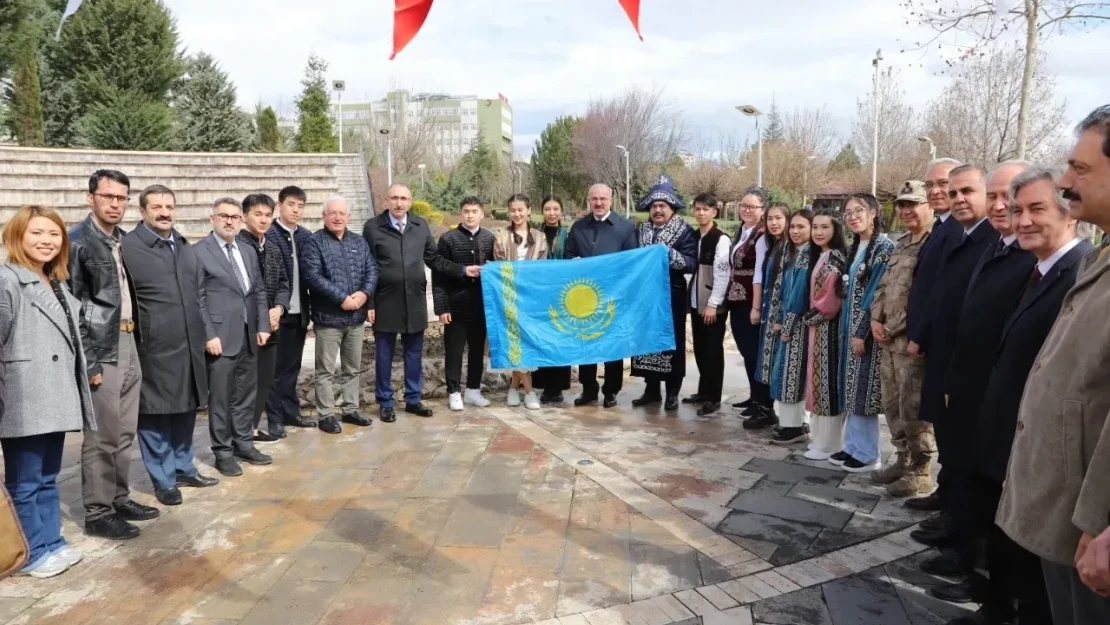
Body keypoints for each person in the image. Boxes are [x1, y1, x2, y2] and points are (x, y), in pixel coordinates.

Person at [954, 167, 1092, 625]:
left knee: (1035, 582)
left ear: (1069, 213)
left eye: (1037, 209)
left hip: (1045, 453)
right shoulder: (1039, 270)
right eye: (1017, 210)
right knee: (1007, 553)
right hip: (1007, 433)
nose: (1023, 220)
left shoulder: (1079, 274)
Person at [998, 106, 1110, 625]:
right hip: (1065, 514)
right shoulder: (1099, 261)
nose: (1067, 181)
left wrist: (1101, 522)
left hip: (1092, 532)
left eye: (1081, 170)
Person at [927, 162, 1034, 594]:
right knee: (967, 474)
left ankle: (979, 570)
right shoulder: (998, 247)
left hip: (997, 397)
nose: (1000, 204)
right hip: (967, 385)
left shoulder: (1032, 258)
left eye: (1009, 195)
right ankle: (965, 552)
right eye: (994, 195)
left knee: (988, 485)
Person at [0, 206, 95, 578]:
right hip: (23, 396)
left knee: (46, 476)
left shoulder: (53, 280)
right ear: (17, 236)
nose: (47, 241)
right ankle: (31, 551)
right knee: (24, 480)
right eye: (37, 233)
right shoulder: (7, 280)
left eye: (54, 234)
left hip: (52, 393)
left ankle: (51, 540)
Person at [910, 165, 1000, 548]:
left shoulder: (991, 239)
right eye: (950, 189)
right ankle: (951, 505)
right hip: (945, 350)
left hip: (967, 365)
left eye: (968, 191)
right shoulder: (959, 233)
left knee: (965, 449)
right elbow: (936, 288)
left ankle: (960, 527)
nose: (955, 196)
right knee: (949, 438)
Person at [68, 170, 157, 541]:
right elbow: (73, 308)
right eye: (108, 197)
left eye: (121, 198)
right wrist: (88, 360)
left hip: (128, 341)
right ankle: (97, 511)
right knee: (102, 435)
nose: (115, 204)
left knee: (124, 431)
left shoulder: (118, 241)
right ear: (91, 198)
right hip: (102, 347)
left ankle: (118, 498)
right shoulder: (77, 242)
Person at [122, 185, 216, 507]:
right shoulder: (128, 247)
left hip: (189, 345)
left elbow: (197, 294)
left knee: (185, 410)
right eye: (157, 206)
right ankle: (163, 479)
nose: (164, 212)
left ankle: (183, 466)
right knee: (155, 415)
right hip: (153, 347)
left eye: (169, 206)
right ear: (142, 211)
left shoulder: (183, 245)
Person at [363, 184, 471, 423]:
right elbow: (367, 266)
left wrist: (462, 269)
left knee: (414, 354)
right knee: (384, 355)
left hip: (414, 299)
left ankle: (413, 399)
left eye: (404, 198)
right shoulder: (372, 227)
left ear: (411, 202)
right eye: (394, 198)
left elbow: (433, 259)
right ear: (386, 201)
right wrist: (368, 302)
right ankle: (386, 402)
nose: (399, 203)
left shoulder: (420, 225)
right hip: (385, 300)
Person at [194, 197, 273, 477]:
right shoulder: (199, 252)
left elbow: (258, 291)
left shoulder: (247, 251)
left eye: (234, 216)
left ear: (241, 220)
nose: (229, 221)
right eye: (224, 216)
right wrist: (208, 335)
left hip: (249, 334)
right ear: (212, 219)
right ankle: (223, 452)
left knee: (245, 395)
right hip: (220, 338)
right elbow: (198, 299)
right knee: (221, 398)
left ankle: (244, 444)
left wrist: (263, 324)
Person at [869, 181, 937, 497]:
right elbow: (884, 286)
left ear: (930, 205)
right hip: (888, 341)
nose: (907, 210)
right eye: (902, 205)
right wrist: (875, 318)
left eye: (913, 204)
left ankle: (921, 470)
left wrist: (904, 329)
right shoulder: (902, 243)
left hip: (912, 343)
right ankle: (903, 458)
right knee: (892, 403)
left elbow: (930, 295)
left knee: (914, 407)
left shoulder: (935, 243)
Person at [903, 158, 963, 512]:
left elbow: (945, 290)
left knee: (948, 426)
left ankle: (950, 499)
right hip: (931, 340)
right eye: (933, 186)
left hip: (945, 342)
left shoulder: (958, 229)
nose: (938, 191)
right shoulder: (945, 227)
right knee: (940, 423)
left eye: (945, 184)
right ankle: (946, 493)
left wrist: (920, 333)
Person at [302, 197, 379, 434]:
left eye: (342, 213)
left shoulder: (358, 241)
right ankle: (325, 414)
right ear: (324, 216)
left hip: (355, 319)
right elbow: (312, 276)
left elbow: (372, 269)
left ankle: (350, 409)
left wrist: (364, 294)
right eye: (332, 213)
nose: (337, 217)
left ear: (349, 216)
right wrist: (342, 298)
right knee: (325, 370)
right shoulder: (314, 243)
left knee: (352, 368)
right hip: (328, 319)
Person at [834, 193, 894, 473]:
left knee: (863, 392)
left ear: (873, 213)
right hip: (849, 331)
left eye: (859, 211)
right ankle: (852, 447)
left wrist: (861, 332)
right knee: (851, 388)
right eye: (847, 213)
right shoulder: (855, 247)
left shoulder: (883, 248)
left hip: (866, 333)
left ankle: (869, 453)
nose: (853, 217)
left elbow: (875, 295)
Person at [565, 183, 638, 408]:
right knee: (587, 344)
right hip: (585, 297)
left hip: (613, 298)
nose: (598, 202)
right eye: (594, 198)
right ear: (589, 200)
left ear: (611, 201)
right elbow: (568, 255)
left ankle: (611, 391)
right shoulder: (578, 228)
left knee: (612, 345)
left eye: (602, 199)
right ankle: (588, 389)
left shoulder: (625, 228)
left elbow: (631, 263)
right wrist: (572, 262)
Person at [630, 175, 696, 411]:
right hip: (646, 296)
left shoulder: (685, 231)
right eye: (654, 206)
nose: (657, 210)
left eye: (662, 206)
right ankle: (651, 390)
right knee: (647, 341)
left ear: (672, 208)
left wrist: (668, 253)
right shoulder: (641, 229)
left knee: (671, 342)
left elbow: (691, 263)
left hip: (672, 296)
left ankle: (672, 392)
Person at [433, 196, 496, 411]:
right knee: (454, 351)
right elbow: (439, 273)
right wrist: (442, 307)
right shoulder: (448, 239)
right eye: (466, 211)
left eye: (474, 211)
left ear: (482, 214)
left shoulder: (490, 238)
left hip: (481, 305)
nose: (470, 215)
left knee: (478, 350)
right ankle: (454, 392)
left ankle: (473, 390)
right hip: (455, 305)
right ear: (461, 213)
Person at [237, 194, 291, 442]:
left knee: (264, 380)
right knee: (244, 383)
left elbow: (283, 283)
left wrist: (279, 308)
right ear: (244, 215)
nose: (263, 219)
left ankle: (253, 428)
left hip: (271, 325)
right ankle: (239, 433)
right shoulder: (236, 246)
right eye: (257, 214)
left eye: (267, 215)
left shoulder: (272, 245)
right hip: (245, 328)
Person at [794, 210, 847, 452]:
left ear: (835, 230)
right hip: (818, 329)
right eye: (815, 226)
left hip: (828, 329)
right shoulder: (823, 255)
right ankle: (820, 440)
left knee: (826, 383)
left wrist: (806, 318)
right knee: (817, 382)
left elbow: (829, 302)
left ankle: (828, 444)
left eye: (824, 227)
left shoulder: (835, 258)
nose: (818, 232)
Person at [266, 186, 316, 432]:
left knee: (292, 368)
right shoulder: (269, 234)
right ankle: (274, 418)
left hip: (300, 314)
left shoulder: (306, 236)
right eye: (291, 205)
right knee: (274, 369)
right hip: (276, 314)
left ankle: (290, 412)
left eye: (300, 206)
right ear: (280, 205)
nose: (296, 210)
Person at [492, 194, 548, 410]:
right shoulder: (501, 235)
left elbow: (542, 269)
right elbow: (499, 266)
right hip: (509, 296)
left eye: (520, 210)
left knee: (526, 342)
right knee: (515, 341)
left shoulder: (540, 237)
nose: (516, 214)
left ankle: (514, 388)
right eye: (513, 210)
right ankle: (530, 392)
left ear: (528, 210)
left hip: (532, 297)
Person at [722, 189, 769, 418]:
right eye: (743, 205)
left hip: (750, 299)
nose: (746, 210)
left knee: (753, 351)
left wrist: (756, 307)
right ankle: (754, 395)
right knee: (746, 351)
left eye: (752, 207)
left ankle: (761, 400)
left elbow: (759, 271)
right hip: (736, 299)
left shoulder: (761, 234)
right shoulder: (742, 231)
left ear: (762, 210)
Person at [766, 209, 814, 435]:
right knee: (788, 373)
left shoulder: (807, 256)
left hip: (798, 326)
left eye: (801, 227)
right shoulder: (796, 252)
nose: (795, 231)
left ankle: (792, 426)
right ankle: (794, 422)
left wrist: (787, 324)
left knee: (791, 374)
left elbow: (798, 294)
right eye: (792, 227)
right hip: (791, 322)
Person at [688, 193, 731, 416]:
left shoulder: (721, 239)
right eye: (698, 209)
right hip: (696, 304)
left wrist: (713, 304)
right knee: (700, 349)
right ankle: (703, 391)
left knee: (713, 351)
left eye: (706, 209)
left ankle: (713, 397)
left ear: (715, 211)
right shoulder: (694, 236)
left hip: (712, 305)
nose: (701, 213)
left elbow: (723, 275)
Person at [751, 203, 790, 420]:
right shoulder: (776, 245)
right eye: (770, 219)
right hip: (769, 311)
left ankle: (771, 411)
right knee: (766, 361)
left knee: (775, 362)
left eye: (778, 219)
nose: (774, 223)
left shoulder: (789, 247)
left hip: (779, 314)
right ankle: (766, 408)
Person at [531, 195, 572, 403]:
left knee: (561, 340)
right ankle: (545, 386)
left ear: (561, 211)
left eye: (556, 209)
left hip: (562, 295)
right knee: (543, 339)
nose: (552, 213)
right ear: (542, 211)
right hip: (539, 295)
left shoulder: (568, 234)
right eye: (548, 209)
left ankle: (559, 386)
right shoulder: (534, 235)